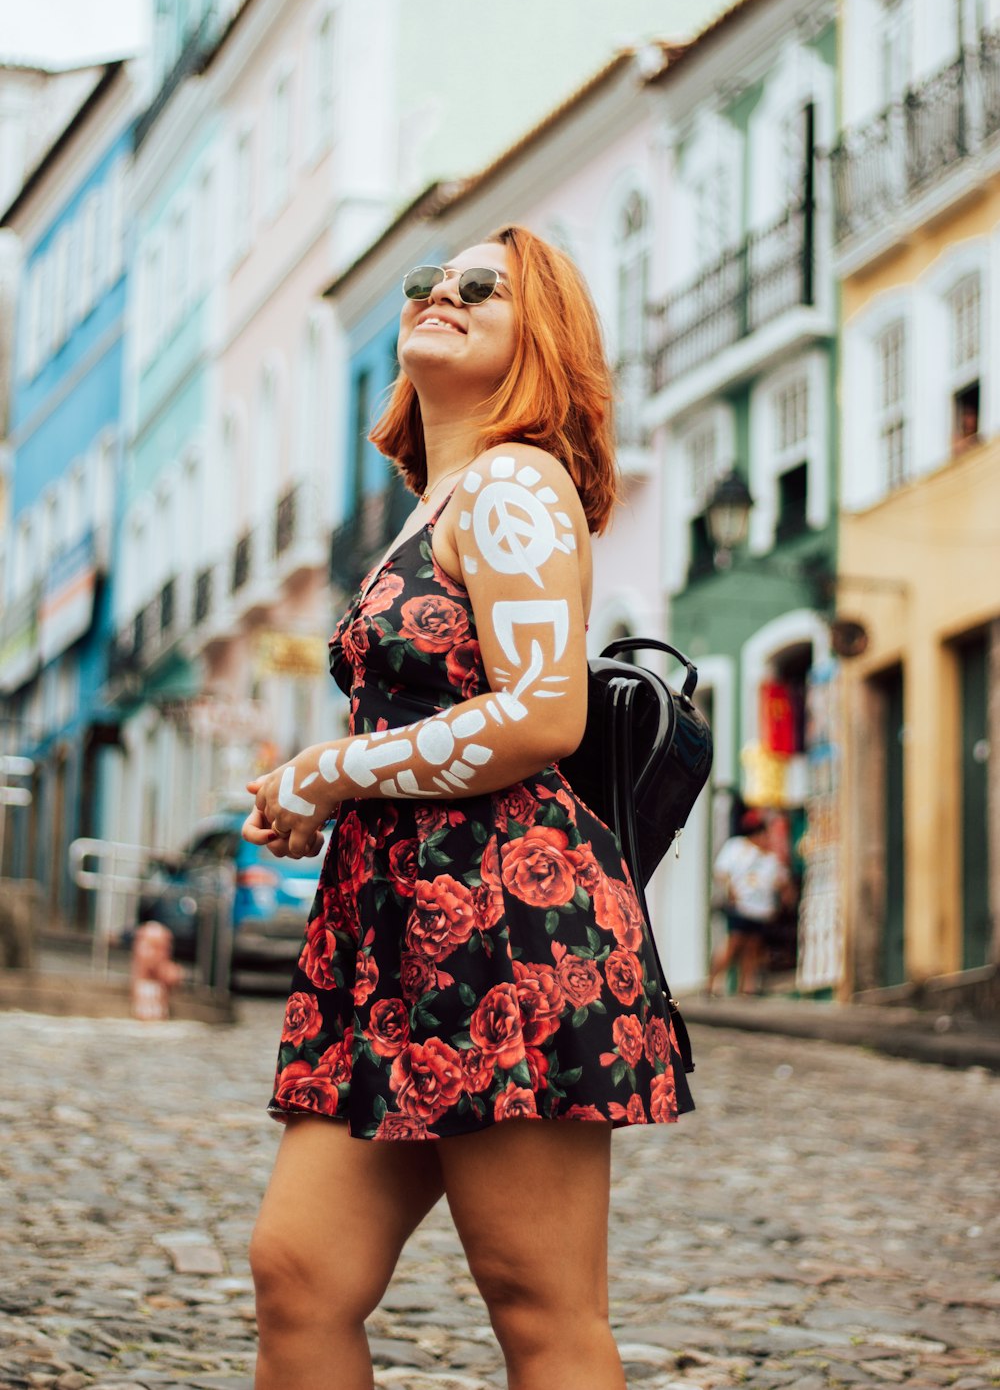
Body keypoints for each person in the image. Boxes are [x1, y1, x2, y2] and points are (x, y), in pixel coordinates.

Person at [241, 224, 694, 1390]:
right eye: (425, 284)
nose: (441, 294)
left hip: (505, 920)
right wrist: (326, 787)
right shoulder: (435, 500)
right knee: (300, 1276)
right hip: (392, 927)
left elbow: (545, 715)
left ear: (534, 334)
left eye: (478, 288)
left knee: (539, 1307)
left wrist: (329, 773)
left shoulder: (513, 481)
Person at [707, 809, 791, 997]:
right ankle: (712, 983)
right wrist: (730, 890)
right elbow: (721, 872)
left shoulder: (771, 857)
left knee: (753, 947)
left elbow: (780, 881)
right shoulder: (737, 847)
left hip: (761, 909)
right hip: (741, 906)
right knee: (734, 944)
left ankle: (747, 987)